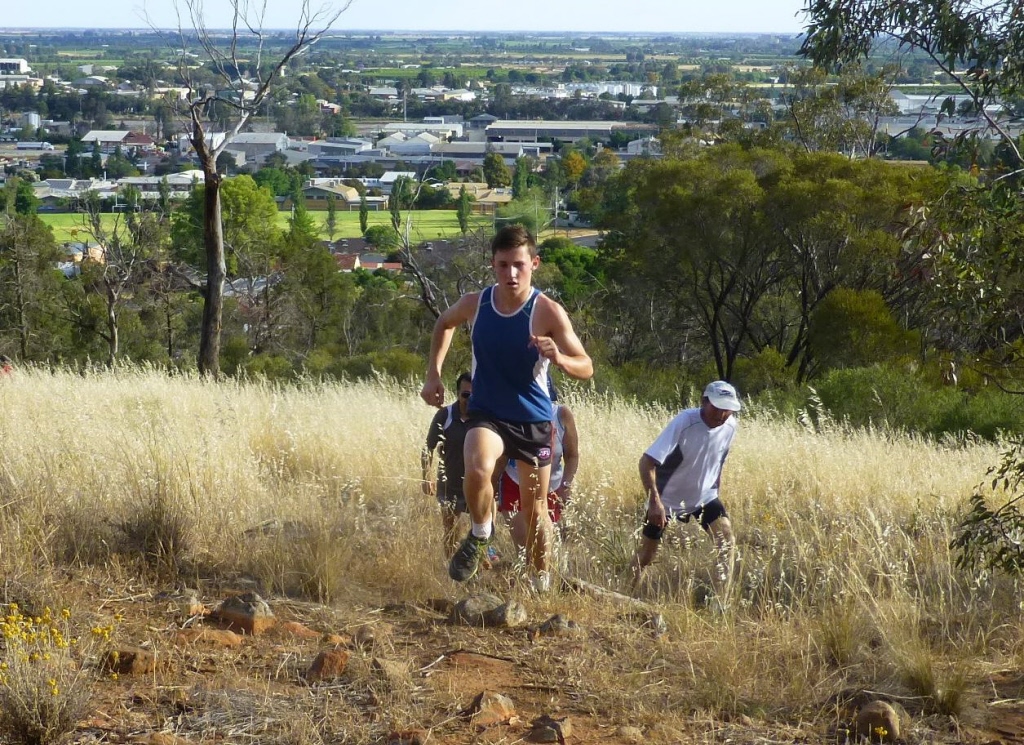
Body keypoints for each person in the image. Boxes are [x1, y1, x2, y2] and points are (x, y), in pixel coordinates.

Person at [420, 225, 594, 588]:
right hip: (488, 413)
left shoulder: (547, 311)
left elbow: (586, 366)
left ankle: (540, 580)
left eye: (519, 265)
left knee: (535, 512)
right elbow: (444, 323)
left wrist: (559, 357)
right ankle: (482, 533)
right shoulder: (476, 303)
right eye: (502, 265)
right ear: (493, 265)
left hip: (532, 421)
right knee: (478, 469)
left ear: (534, 263)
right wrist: (433, 375)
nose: (511, 274)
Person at [631, 380, 741, 607]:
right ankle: (626, 596)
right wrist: (655, 502)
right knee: (647, 555)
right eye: (717, 407)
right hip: (667, 500)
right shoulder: (685, 421)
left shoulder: (731, 426)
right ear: (704, 401)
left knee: (727, 542)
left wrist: (715, 488)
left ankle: (720, 604)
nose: (721, 414)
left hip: (705, 497)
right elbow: (647, 462)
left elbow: (719, 459)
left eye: (727, 409)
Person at [498, 401, 579, 550]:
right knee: (524, 549)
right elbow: (502, 455)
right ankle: (527, 571)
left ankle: (542, 573)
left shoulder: (561, 415)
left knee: (545, 550)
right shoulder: (511, 410)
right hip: (514, 483)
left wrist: (566, 485)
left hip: (551, 488)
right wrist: (492, 485)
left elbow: (572, 456)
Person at [422, 372, 473, 558]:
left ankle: (478, 567)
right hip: (450, 484)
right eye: (465, 395)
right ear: (458, 393)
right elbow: (428, 447)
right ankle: (451, 568)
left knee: (482, 533)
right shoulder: (445, 415)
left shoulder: (485, 417)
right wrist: (425, 477)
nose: (470, 399)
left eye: (475, 395)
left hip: (479, 486)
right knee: (451, 532)